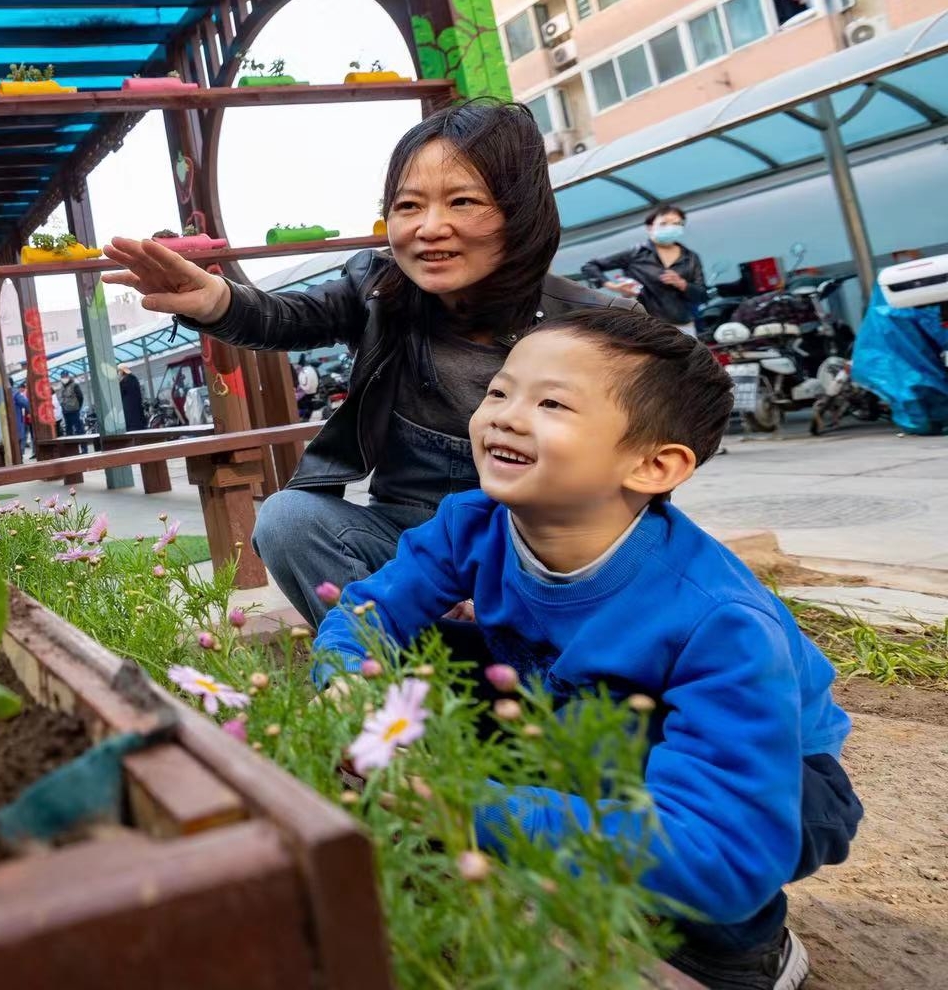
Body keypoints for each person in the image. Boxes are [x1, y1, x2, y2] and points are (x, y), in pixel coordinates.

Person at [312, 309, 859, 990]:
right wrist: (344, 683)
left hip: (773, 787)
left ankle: (742, 950)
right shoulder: (473, 521)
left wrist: (457, 800)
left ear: (653, 464)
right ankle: (542, 854)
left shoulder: (716, 618)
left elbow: (726, 850)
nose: (505, 417)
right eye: (500, 392)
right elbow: (370, 611)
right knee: (422, 656)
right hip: (570, 708)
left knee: (614, 747)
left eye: (550, 403)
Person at [102, 102, 633, 622]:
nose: (429, 227)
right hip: (407, 537)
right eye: (407, 206)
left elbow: (642, 475)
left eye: (463, 202)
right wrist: (216, 301)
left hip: (545, 544)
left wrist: (530, 568)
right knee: (289, 518)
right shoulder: (378, 288)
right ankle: (379, 676)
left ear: (522, 212)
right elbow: (287, 317)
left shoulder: (603, 327)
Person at [581, 203, 708, 333]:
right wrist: (613, 286)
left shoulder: (691, 258)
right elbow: (590, 266)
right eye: (664, 223)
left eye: (677, 224)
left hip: (684, 326)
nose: (671, 228)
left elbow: (703, 296)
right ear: (650, 227)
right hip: (646, 326)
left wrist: (682, 284)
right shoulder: (635, 253)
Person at [118, 365, 147, 431]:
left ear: (122, 372)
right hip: (138, 413)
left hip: (129, 415)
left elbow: (120, 395)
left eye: (119, 371)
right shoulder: (134, 379)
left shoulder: (123, 382)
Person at [12, 385, 31, 453]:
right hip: (16, 425)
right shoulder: (15, 394)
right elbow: (26, 403)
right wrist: (29, 412)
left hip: (3, 431)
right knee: (18, 445)